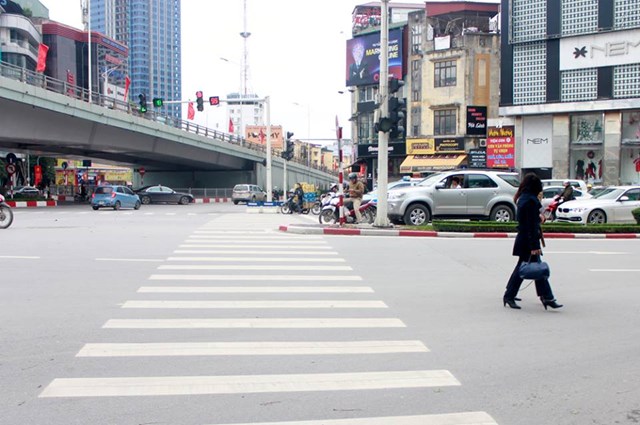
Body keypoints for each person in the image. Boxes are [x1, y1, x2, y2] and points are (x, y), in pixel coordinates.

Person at [503, 173, 563, 310]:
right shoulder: (530, 201)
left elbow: (529, 221)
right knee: (530, 269)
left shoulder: (524, 198)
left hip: (525, 238)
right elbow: (530, 226)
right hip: (528, 240)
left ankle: (545, 296)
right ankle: (513, 295)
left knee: (531, 268)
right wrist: (534, 246)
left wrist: (539, 218)